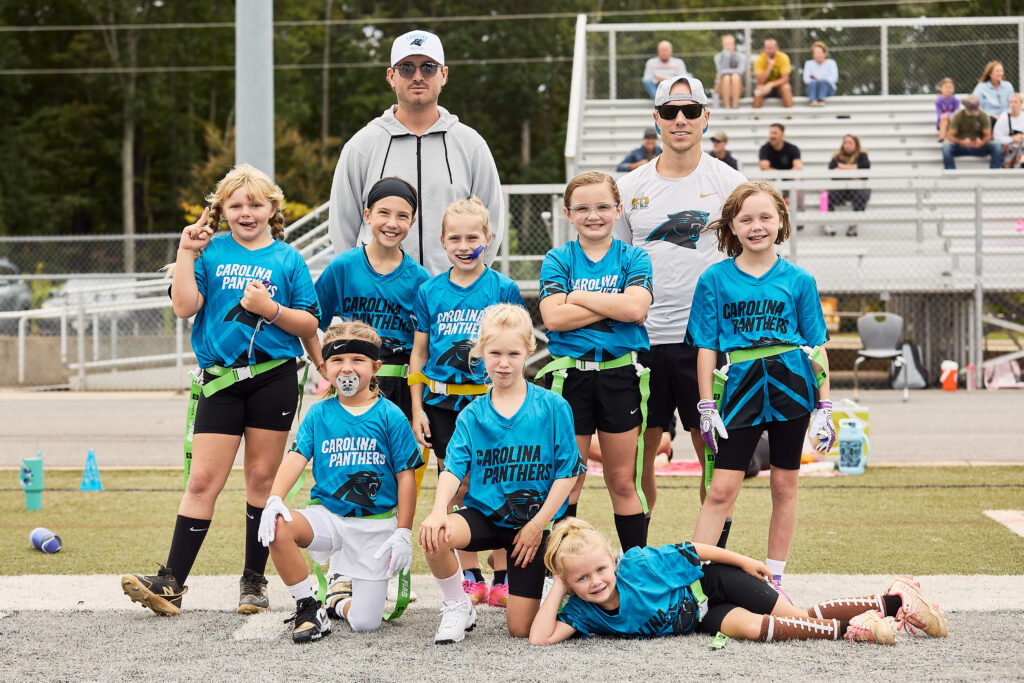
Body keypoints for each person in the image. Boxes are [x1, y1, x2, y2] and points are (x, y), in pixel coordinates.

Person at [121, 164, 321, 616]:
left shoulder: (287, 258)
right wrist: (186, 252)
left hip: (273, 377)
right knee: (203, 480)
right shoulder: (209, 252)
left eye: (256, 204)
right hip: (221, 381)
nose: (246, 212)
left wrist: (270, 309)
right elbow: (184, 307)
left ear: (273, 208)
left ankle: (254, 581)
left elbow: (309, 321)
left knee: (260, 481)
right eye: (236, 205)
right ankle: (171, 581)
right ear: (221, 210)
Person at [687, 181, 833, 603]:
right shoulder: (715, 278)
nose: (756, 226)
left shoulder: (799, 279)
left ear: (781, 221)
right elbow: (707, 347)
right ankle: (693, 579)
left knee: (785, 486)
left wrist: (825, 405)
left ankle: (776, 577)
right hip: (740, 390)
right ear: (732, 225)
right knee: (721, 489)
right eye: (746, 219)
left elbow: (816, 346)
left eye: (765, 217)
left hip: (792, 387)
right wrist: (705, 404)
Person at [613, 75, 745, 534]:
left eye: (691, 110)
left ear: (707, 116)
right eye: (670, 112)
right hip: (642, 339)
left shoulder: (731, 184)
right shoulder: (629, 186)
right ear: (657, 119)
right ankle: (641, 563)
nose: (681, 120)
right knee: (637, 459)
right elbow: (614, 262)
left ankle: (710, 567)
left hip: (705, 342)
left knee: (713, 454)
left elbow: (750, 258)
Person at [301, 176, 431, 615]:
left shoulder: (419, 278)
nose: (392, 223)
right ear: (367, 215)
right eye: (384, 213)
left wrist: (416, 405)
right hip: (353, 380)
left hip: (397, 383)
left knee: (392, 473)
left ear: (412, 222)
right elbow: (308, 320)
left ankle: (380, 557)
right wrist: (324, 365)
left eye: (402, 216)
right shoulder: (342, 267)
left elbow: (422, 345)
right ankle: (341, 570)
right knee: (344, 463)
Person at [418, 303, 584, 644]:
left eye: (513, 353)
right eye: (494, 353)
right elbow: (453, 469)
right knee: (434, 534)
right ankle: (457, 604)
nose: (504, 362)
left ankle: (553, 583)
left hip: (532, 527)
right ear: (481, 354)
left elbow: (567, 474)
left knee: (520, 630)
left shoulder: (552, 406)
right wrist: (437, 511)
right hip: (486, 517)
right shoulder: (472, 414)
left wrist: (539, 525)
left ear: (528, 352)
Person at [530, 518, 949, 645]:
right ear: (568, 581)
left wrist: (745, 561)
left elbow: (698, 551)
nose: (596, 581)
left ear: (613, 561)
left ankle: (895, 601)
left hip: (712, 584)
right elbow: (539, 638)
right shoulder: (583, 611)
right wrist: (561, 588)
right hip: (702, 618)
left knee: (796, 614)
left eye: (600, 569)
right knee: (749, 629)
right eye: (581, 578)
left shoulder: (639, 565)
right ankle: (854, 630)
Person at [257, 322, 423, 642]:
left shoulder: (390, 415)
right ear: (324, 367)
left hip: (374, 526)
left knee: (365, 623)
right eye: (337, 360)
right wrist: (275, 498)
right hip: (329, 516)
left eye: (357, 360)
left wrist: (403, 530)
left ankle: (336, 600)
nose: (347, 368)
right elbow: (295, 458)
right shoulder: (319, 414)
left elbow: (406, 477)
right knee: (277, 525)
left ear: (376, 367)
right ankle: (308, 605)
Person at [409, 198, 525, 607]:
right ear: (441, 241)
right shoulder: (430, 290)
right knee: (455, 485)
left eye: (472, 237)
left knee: (500, 482)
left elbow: (516, 347)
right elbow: (419, 354)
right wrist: (417, 407)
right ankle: (470, 573)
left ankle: (505, 572)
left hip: (490, 403)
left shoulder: (502, 288)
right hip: (442, 404)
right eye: (454, 237)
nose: (463, 244)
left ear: (488, 239)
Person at [537, 171, 653, 552]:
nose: (594, 215)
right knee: (568, 478)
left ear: (618, 210)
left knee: (621, 479)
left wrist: (576, 297)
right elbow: (553, 318)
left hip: (620, 374)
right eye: (583, 208)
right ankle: (560, 568)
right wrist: (613, 307)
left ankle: (636, 566)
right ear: (569, 214)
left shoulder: (634, 255)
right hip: (569, 378)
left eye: (603, 206)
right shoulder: (558, 258)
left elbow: (637, 307)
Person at [327, 29, 504, 276]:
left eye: (428, 67)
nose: (418, 76)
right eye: (407, 68)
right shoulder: (362, 146)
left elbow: (491, 224)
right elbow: (342, 228)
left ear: (444, 74)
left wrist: (468, 280)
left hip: (450, 301)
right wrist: (365, 284)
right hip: (380, 304)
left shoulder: (471, 144)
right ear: (391, 76)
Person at [825, 134, 871, 237]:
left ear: (856, 144)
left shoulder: (862, 155)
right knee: (825, 194)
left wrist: (843, 168)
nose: (847, 145)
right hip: (841, 188)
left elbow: (864, 173)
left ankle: (853, 224)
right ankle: (827, 222)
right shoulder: (837, 155)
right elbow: (832, 173)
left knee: (862, 193)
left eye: (850, 143)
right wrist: (853, 171)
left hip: (856, 189)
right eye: (845, 142)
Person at [942, 95, 1001, 169]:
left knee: (996, 145)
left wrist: (982, 142)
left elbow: (988, 136)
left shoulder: (984, 116)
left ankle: (994, 173)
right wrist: (961, 142)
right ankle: (951, 174)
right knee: (946, 147)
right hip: (961, 146)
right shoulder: (957, 116)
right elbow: (950, 135)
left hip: (979, 146)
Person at [759, 123, 803, 219]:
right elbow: (764, 166)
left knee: (798, 178)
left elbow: (798, 166)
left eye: (775, 133)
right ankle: (769, 213)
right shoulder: (765, 148)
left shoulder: (792, 148)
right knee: (765, 177)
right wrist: (782, 175)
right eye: (771, 133)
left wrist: (784, 176)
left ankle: (797, 214)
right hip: (773, 182)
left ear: (783, 135)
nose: (772, 136)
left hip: (789, 180)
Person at [752, 38, 793, 108]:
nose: (768, 51)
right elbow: (760, 81)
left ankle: (789, 116)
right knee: (758, 90)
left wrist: (771, 84)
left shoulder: (783, 57)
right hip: (764, 87)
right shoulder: (759, 59)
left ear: (777, 48)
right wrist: (769, 66)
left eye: (771, 48)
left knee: (786, 88)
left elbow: (785, 79)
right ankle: (756, 117)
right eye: (766, 48)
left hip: (779, 87)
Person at [992, 92, 1024, 168]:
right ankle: (1015, 167)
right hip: (1007, 147)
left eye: (1016, 102)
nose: (1013, 104)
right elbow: (997, 137)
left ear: (1021, 104)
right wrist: (1012, 139)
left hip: (1021, 145)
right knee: (1015, 146)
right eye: (1011, 102)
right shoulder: (1004, 117)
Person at [714, 34, 745, 109]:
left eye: (730, 44)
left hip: (737, 87)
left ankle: (735, 106)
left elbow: (740, 72)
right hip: (722, 88)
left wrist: (725, 71)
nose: (728, 46)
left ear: (734, 45)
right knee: (726, 78)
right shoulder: (718, 57)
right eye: (726, 44)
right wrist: (726, 57)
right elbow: (720, 72)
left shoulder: (740, 56)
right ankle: (726, 106)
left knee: (735, 77)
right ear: (722, 45)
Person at [802, 41, 838, 107]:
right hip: (813, 88)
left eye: (819, 53)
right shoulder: (809, 63)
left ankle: (821, 100)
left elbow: (834, 78)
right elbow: (806, 79)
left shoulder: (831, 63)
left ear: (825, 53)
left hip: (828, 89)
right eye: (815, 53)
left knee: (823, 82)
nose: (817, 55)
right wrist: (816, 81)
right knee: (812, 82)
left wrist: (820, 80)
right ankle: (813, 101)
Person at [935, 77, 960, 142]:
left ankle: (950, 139)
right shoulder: (938, 101)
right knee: (944, 119)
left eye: (950, 87)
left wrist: (948, 115)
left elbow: (957, 113)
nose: (948, 89)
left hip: (952, 120)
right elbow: (939, 114)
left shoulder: (956, 100)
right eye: (946, 87)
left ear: (953, 89)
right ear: (941, 89)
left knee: (951, 118)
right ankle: (942, 137)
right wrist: (945, 116)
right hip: (942, 121)